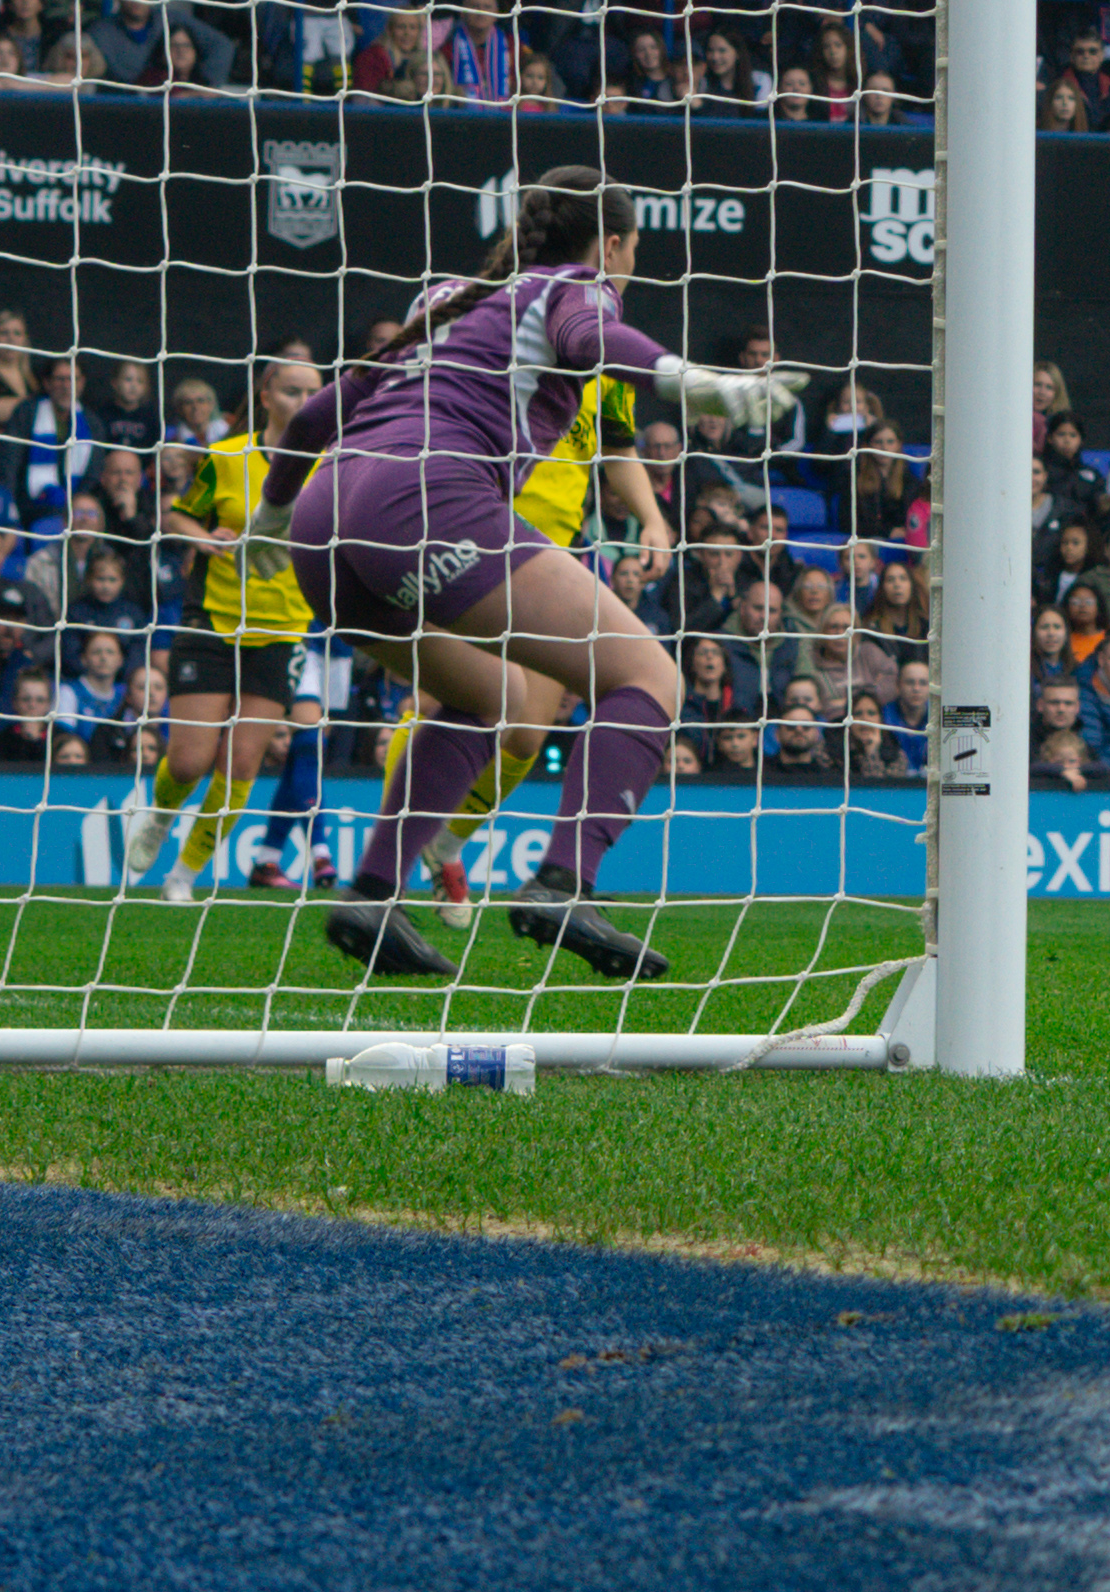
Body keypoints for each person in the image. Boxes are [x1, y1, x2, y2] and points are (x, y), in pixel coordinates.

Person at [284, 168, 796, 983]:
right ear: (617, 243)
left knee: (499, 697)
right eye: (629, 252)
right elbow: (592, 339)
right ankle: (564, 882)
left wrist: (274, 517)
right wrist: (692, 381)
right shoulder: (576, 286)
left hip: (324, 525)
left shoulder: (446, 299)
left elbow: (315, 417)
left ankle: (372, 892)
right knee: (647, 674)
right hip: (425, 500)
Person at [381, 325, 665, 911]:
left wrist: (654, 520)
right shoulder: (504, 336)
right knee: (446, 708)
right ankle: (386, 872)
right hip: (470, 541)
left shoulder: (611, 363)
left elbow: (618, 446)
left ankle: (447, 844)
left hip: (547, 561)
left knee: (526, 737)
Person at [132, 352, 330, 901]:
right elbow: (176, 514)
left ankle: (183, 877)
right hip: (214, 621)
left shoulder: (334, 466)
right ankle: (159, 815)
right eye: (292, 391)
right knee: (190, 760)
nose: (305, 403)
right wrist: (199, 536)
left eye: (314, 393)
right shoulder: (225, 456)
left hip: (284, 628)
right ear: (265, 396)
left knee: (243, 762)